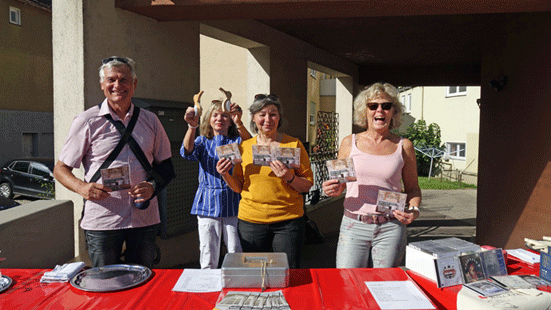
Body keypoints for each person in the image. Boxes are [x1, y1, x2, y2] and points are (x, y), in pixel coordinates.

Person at [54, 57, 174, 268]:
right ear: (102, 85)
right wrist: (82, 187)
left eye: (124, 80)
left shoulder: (150, 121)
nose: (117, 86)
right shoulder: (87, 121)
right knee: (104, 284)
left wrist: (153, 187)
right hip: (103, 220)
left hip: (143, 218)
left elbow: (167, 167)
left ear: (134, 84)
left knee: (143, 281)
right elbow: (60, 169)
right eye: (111, 80)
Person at [322, 82, 421, 268]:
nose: (380, 110)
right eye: (373, 106)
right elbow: (340, 184)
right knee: (348, 283)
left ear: (393, 112)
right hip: (354, 225)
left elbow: (413, 188)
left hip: (390, 227)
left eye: (386, 106)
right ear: (364, 111)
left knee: (386, 286)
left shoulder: (404, 145)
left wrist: (414, 210)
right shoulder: (348, 143)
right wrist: (332, 188)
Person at [217, 94, 313, 269]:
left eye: (273, 114)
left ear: (279, 117)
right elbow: (238, 188)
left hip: (288, 222)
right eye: (262, 114)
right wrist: (225, 175)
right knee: (256, 274)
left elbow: (307, 184)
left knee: (287, 273)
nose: (267, 119)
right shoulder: (244, 147)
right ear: (253, 118)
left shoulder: (294, 144)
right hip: (251, 222)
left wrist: (289, 177)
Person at [181, 90, 251, 269]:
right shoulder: (203, 141)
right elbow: (187, 152)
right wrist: (191, 127)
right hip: (207, 201)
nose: (220, 119)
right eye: (215, 115)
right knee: (208, 250)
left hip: (233, 200)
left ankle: (236, 283)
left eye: (224, 115)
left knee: (235, 249)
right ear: (209, 119)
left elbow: (252, 146)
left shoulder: (236, 140)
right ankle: (208, 286)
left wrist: (239, 121)